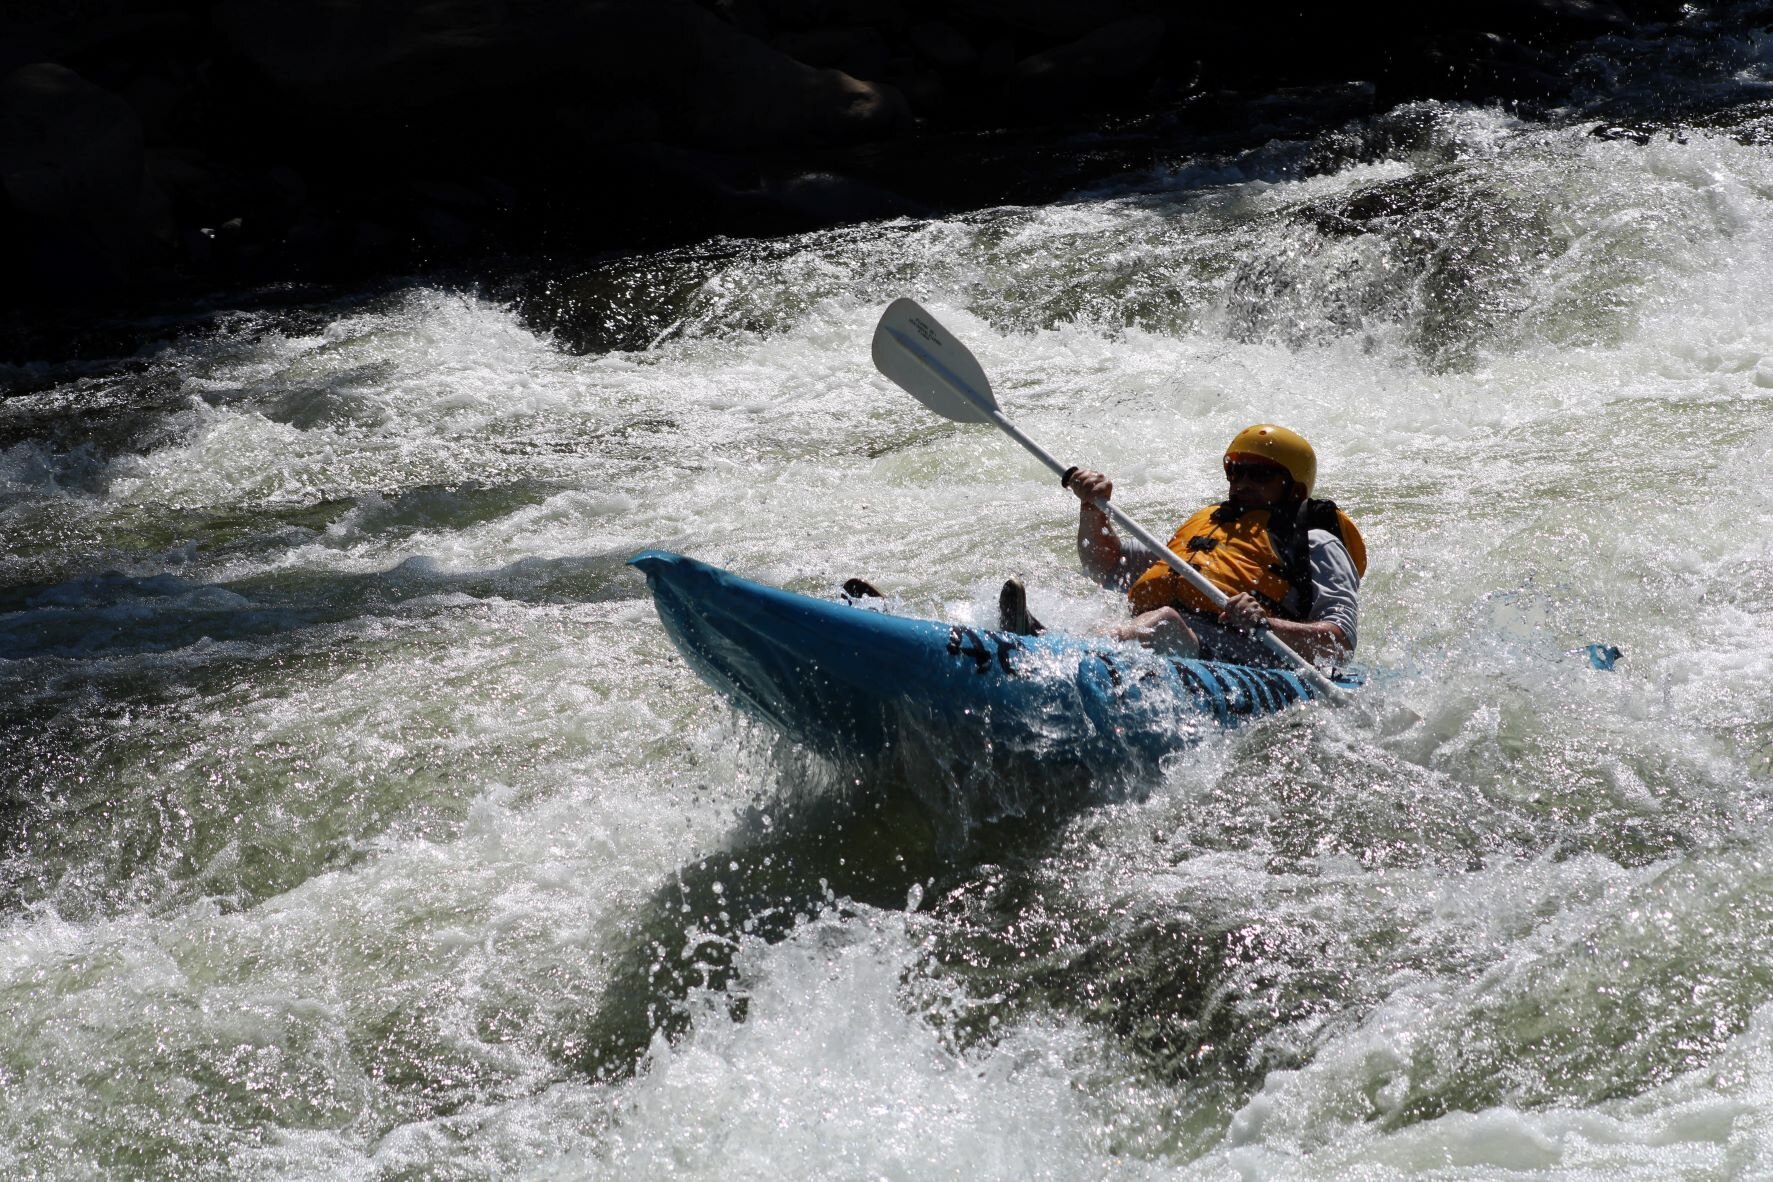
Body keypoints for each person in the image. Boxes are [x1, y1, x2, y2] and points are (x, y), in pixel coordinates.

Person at [1001, 424, 1365, 667]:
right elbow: (1105, 565)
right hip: (1170, 647)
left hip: (1242, 661)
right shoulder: (1208, 531)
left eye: (1260, 474)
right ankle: (1058, 646)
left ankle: (1048, 649)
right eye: (1235, 470)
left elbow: (1340, 642)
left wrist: (1265, 623)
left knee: (1165, 623)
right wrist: (1092, 508)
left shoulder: (1316, 544)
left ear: (1294, 488)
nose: (1241, 482)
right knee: (1153, 621)